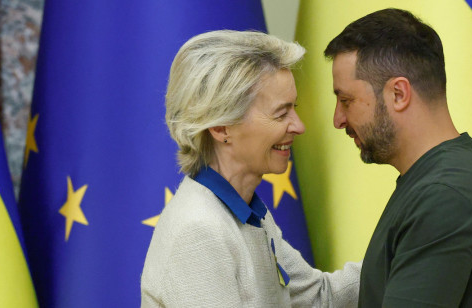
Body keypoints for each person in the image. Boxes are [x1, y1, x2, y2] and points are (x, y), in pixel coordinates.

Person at [141, 30, 361, 307]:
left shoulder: (247, 214)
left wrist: (408, 249)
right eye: (281, 113)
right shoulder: (199, 230)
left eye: (294, 108)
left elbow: (320, 298)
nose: (299, 126)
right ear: (221, 127)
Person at [324, 8, 472, 308]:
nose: (338, 119)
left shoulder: (443, 197)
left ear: (399, 94)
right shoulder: (437, 180)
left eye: (346, 100)